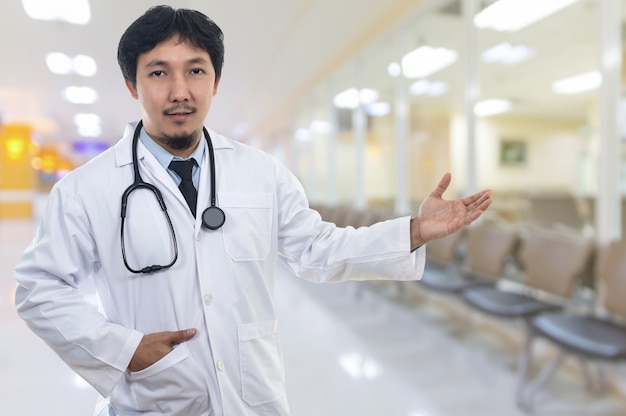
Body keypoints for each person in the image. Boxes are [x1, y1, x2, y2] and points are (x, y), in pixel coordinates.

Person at [14, 5, 492, 416]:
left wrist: (413, 231)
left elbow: (317, 250)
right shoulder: (86, 190)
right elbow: (39, 289)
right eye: (158, 72)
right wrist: (122, 350)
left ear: (216, 82)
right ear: (131, 84)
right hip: (152, 400)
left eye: (196, 70)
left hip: (251, 394)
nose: (179, 90)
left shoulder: (261, 172)